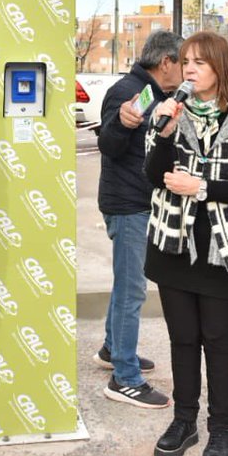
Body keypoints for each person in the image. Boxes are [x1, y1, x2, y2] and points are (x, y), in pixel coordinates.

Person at [144, 31, 228, 456]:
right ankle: (184, 421)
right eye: (185, 62)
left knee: (219, 339)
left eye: (200, 62)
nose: (190, 69)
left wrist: (200, 187)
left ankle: (222, 429)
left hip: (225, 250)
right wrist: (164, 130)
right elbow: (153, 174)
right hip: (173, 246)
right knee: (182, 338)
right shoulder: (168, 114)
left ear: (220, 68)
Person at [95, 29, 184, 409]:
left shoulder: (157, 93)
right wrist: (122, 122)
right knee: (133, 291)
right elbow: (109, 144)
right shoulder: (127, 90)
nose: (187, 70)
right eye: (184, 62)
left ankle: (113, 349)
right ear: (166, 62)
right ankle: (124, 377)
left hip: (138, 200)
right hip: (129, 204)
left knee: (126, 284)